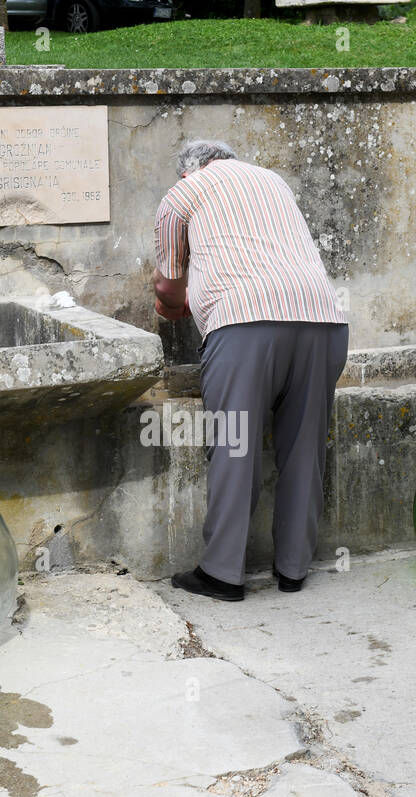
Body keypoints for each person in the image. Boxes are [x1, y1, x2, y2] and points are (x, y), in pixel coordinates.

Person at [152, 140, 349, 602]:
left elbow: (168, 284)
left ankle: (222, 574)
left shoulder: (183, 194)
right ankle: (293, 569)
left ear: (188, 171)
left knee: (234, 444)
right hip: (324, 319)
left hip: (244, 324)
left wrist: (171, 306)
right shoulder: (273, 180)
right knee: (304, 446)